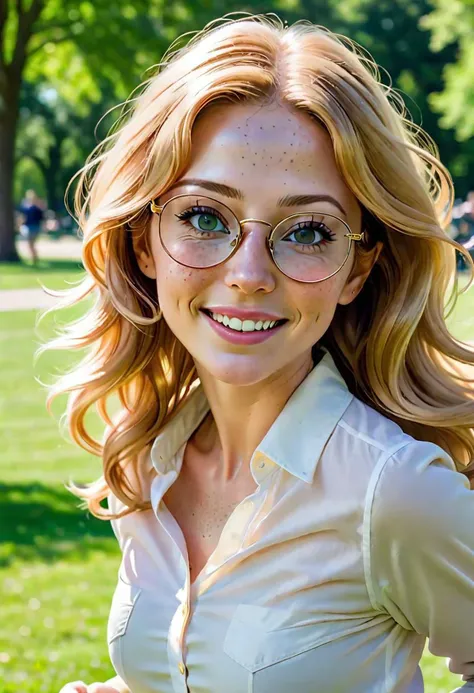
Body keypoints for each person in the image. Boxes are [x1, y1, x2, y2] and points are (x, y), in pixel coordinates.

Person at [51, 14, 474, 693]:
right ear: (142, 242)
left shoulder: (393, 489)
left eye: (308, 230)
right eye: (204, 216)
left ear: (357, 269)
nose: (249, 272)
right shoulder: (146, 460)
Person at [18, 189, 44, 264]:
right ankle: (34, 258)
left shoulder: (31, 209)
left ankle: (34, 259)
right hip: (33, 227)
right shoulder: (34, 208)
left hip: (32, 227)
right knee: (31, 244)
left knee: (30, 244)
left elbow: (24, 218)